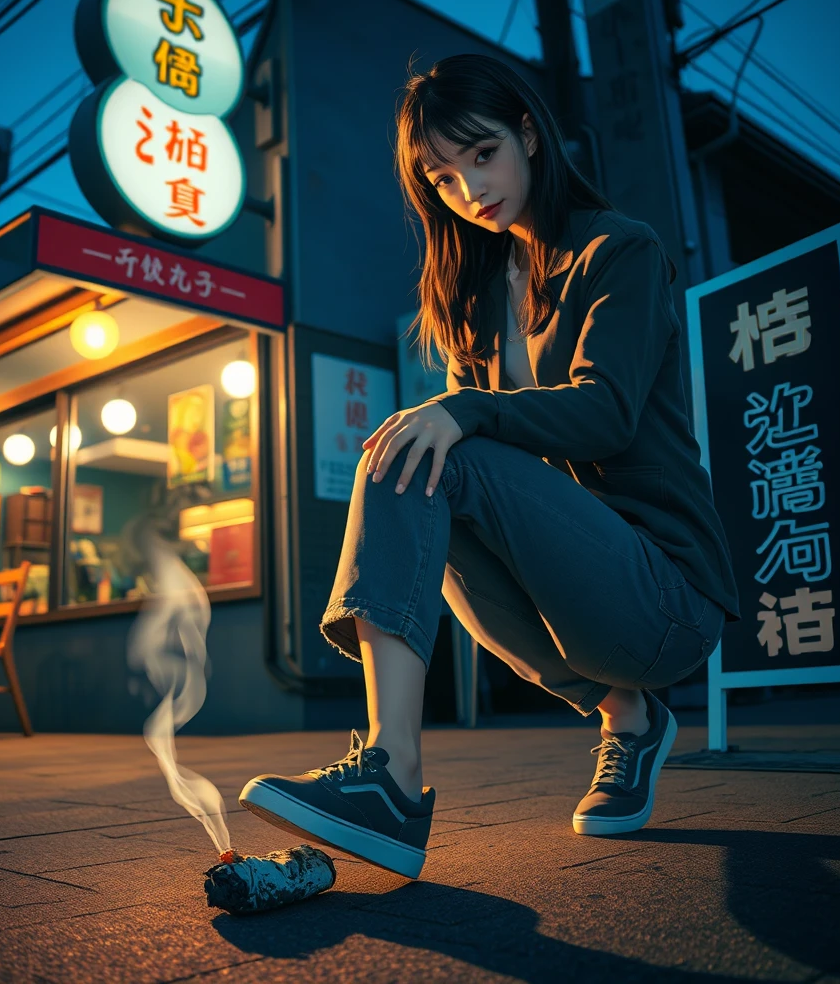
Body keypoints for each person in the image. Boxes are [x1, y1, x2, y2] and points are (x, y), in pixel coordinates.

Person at [239, 54, 740, 880]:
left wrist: (465, 408)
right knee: (414, 459)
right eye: (441, 177)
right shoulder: (474, 295)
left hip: (666, 593)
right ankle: (587, 727)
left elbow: (605, 412)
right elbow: (480, 455)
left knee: (436, 440)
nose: (469, 190)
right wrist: (454, 415)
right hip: (571, 591)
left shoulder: (621, 251)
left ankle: (396, 780)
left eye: (481, 154)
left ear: (529, 135)